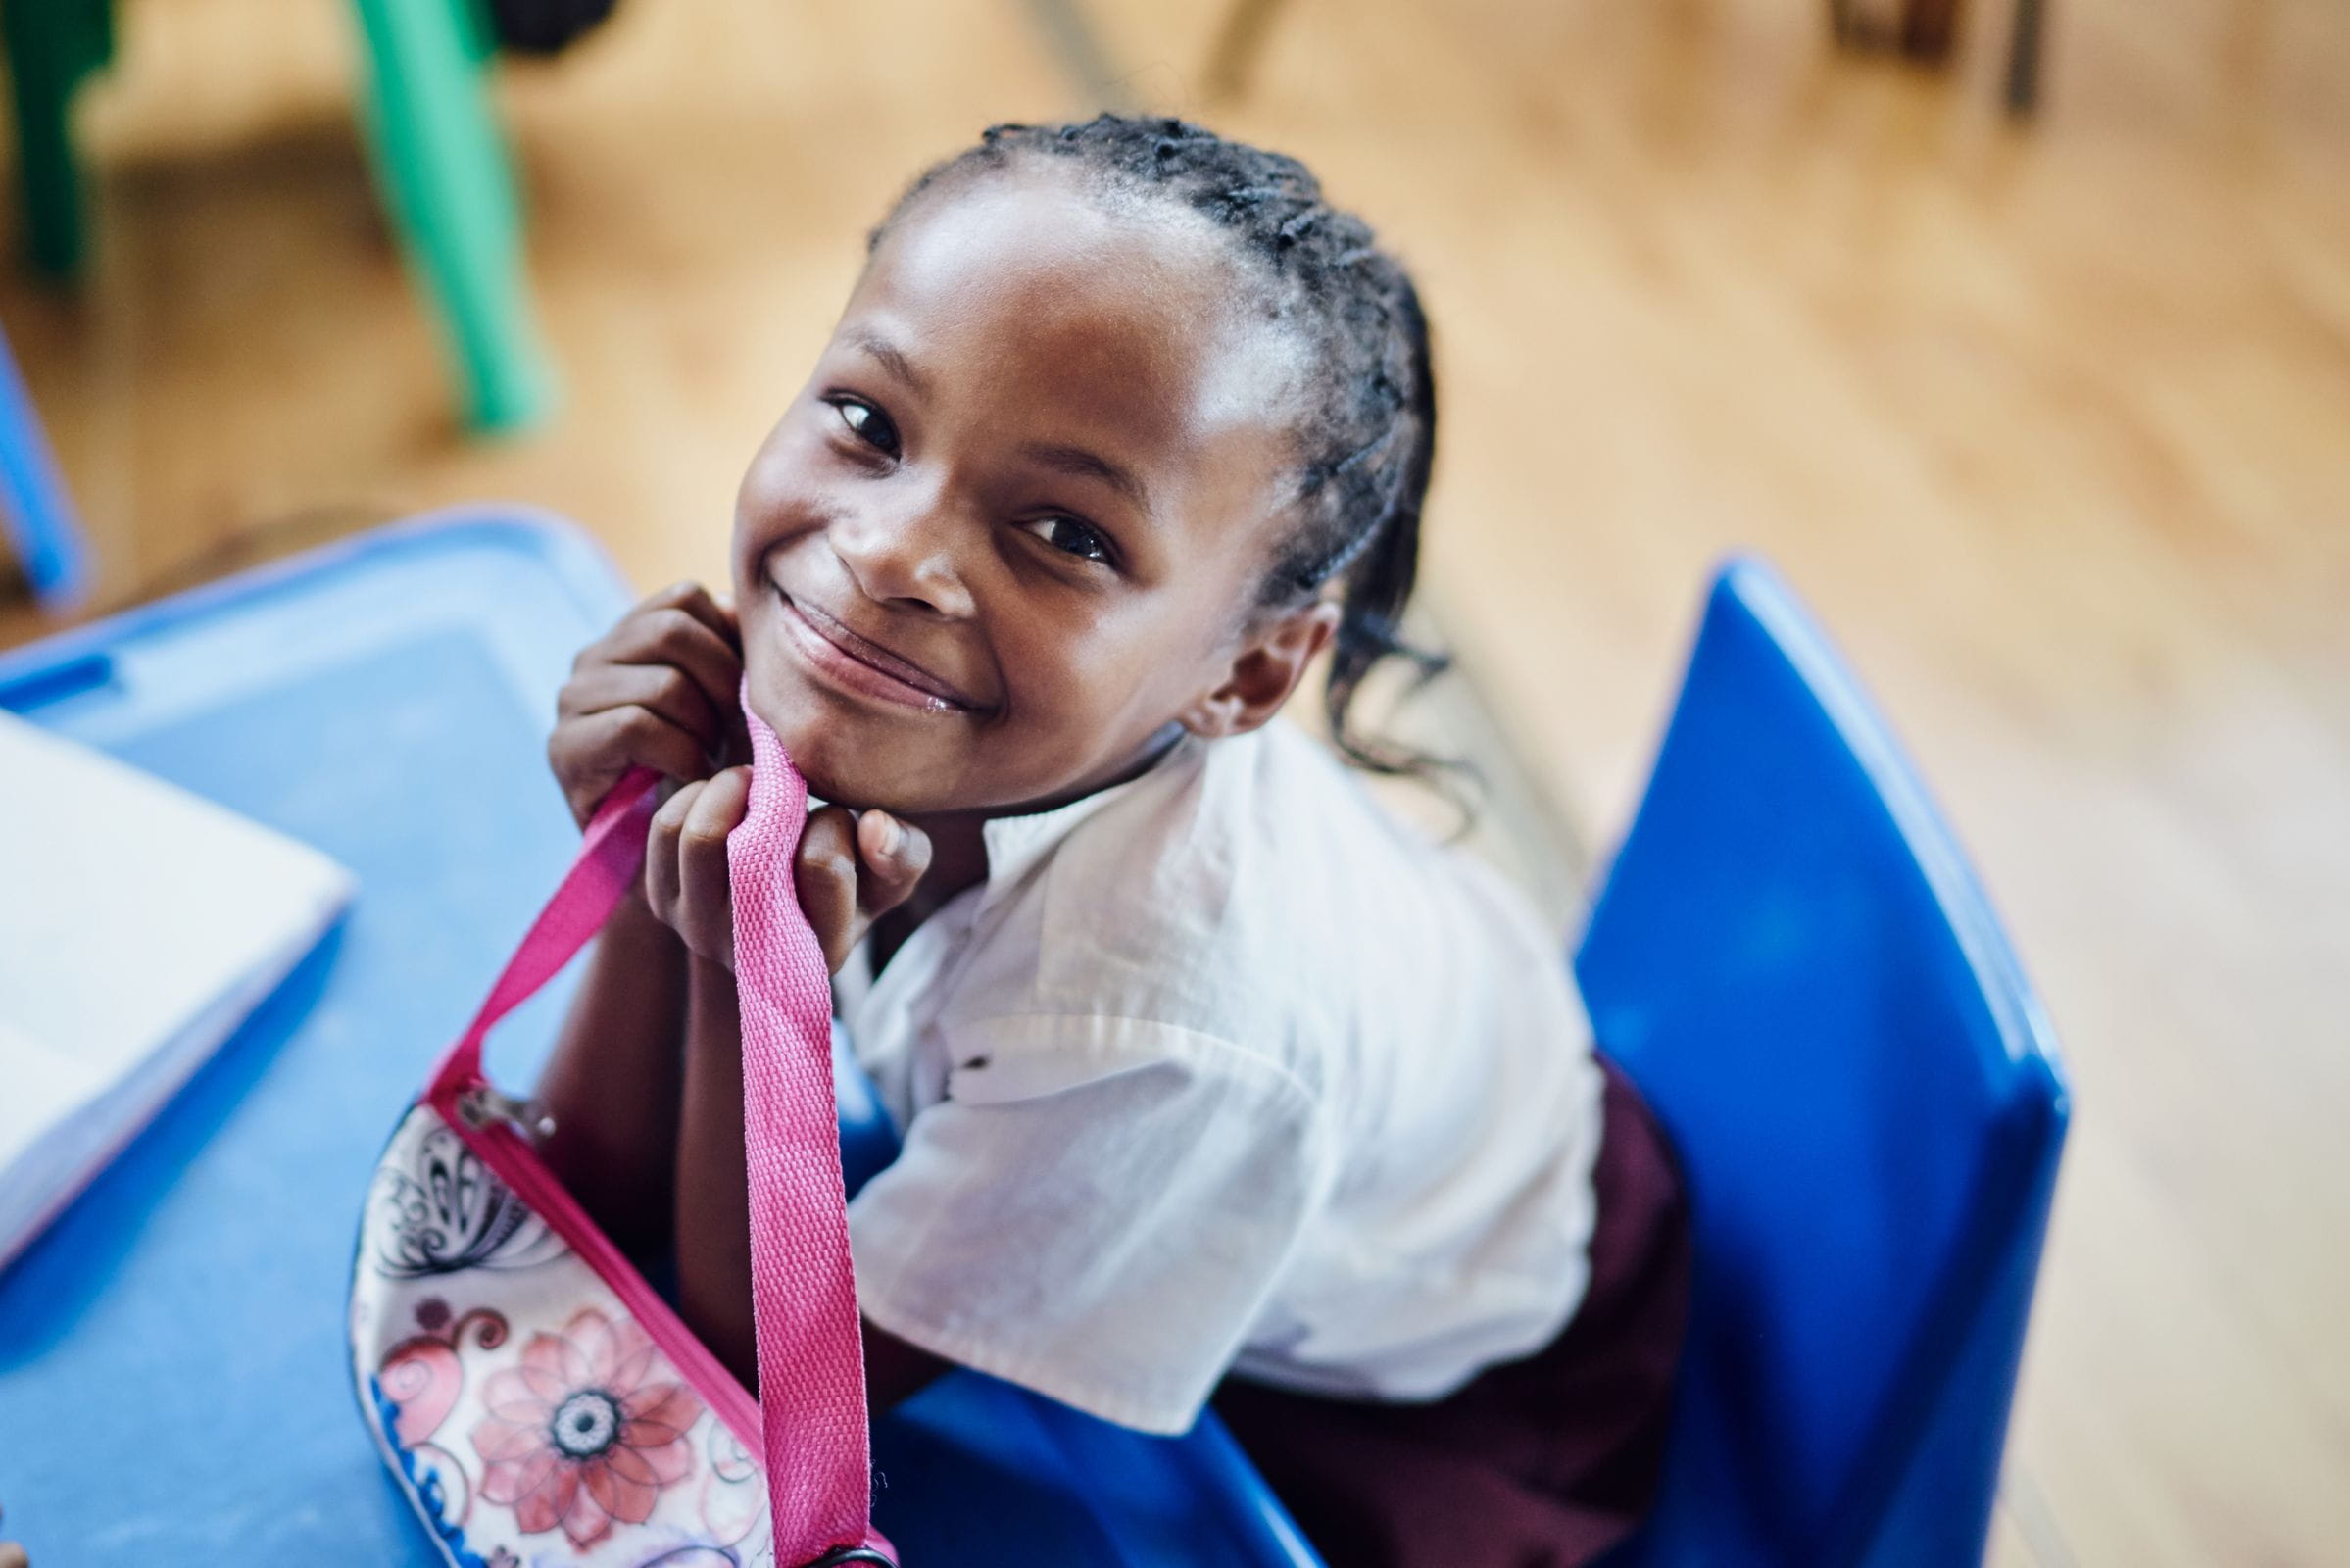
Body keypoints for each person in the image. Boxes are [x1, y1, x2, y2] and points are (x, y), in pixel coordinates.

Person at [533, 115, 1689, 1568]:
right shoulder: (924, 711)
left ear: (1249, 674)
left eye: (1067, 536)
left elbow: (764, 1377)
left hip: (1457, 1362)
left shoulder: (1152, 1032)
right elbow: (588, 1185)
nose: (888, 552)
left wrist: (735, 962)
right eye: (870, 424)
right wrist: (664, 832)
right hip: (1420, 1073)